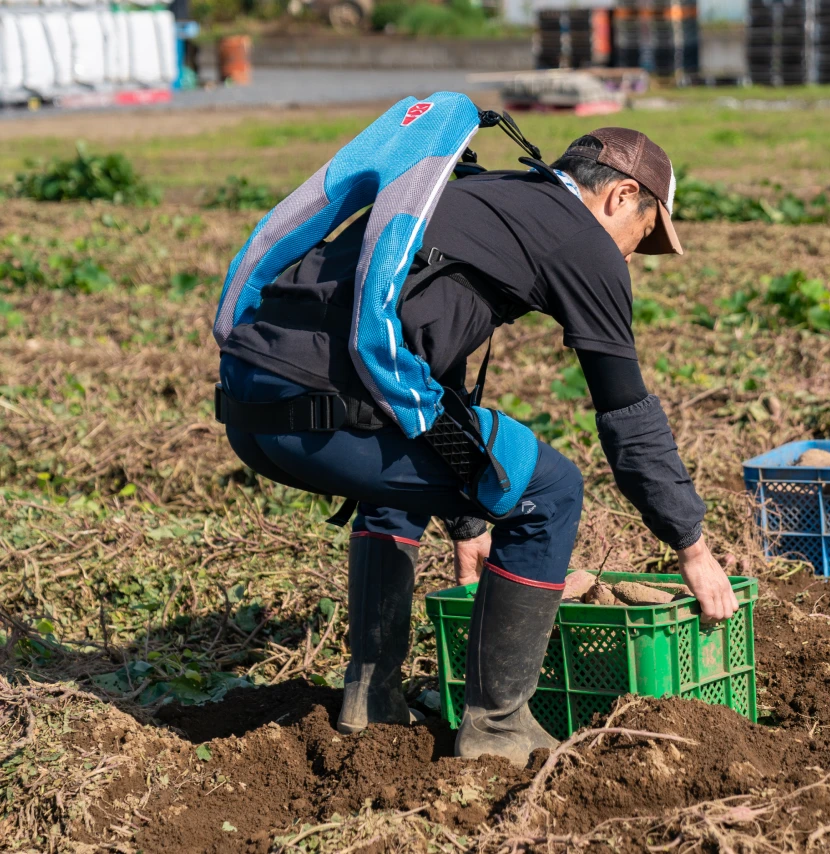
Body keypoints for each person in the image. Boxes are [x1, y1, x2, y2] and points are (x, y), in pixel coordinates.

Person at [213, 127, 739, 766]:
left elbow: (420, 362)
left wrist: (466, 517)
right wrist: (692, 546)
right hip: (330, 422)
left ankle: (371, 696)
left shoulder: (482, 194)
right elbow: (626, 415)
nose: (631, 256)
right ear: (621, 196)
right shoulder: (584, 242)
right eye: (644, 233)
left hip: (253, 412)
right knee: (550, 490)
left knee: (399, 484)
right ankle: (496, 727)